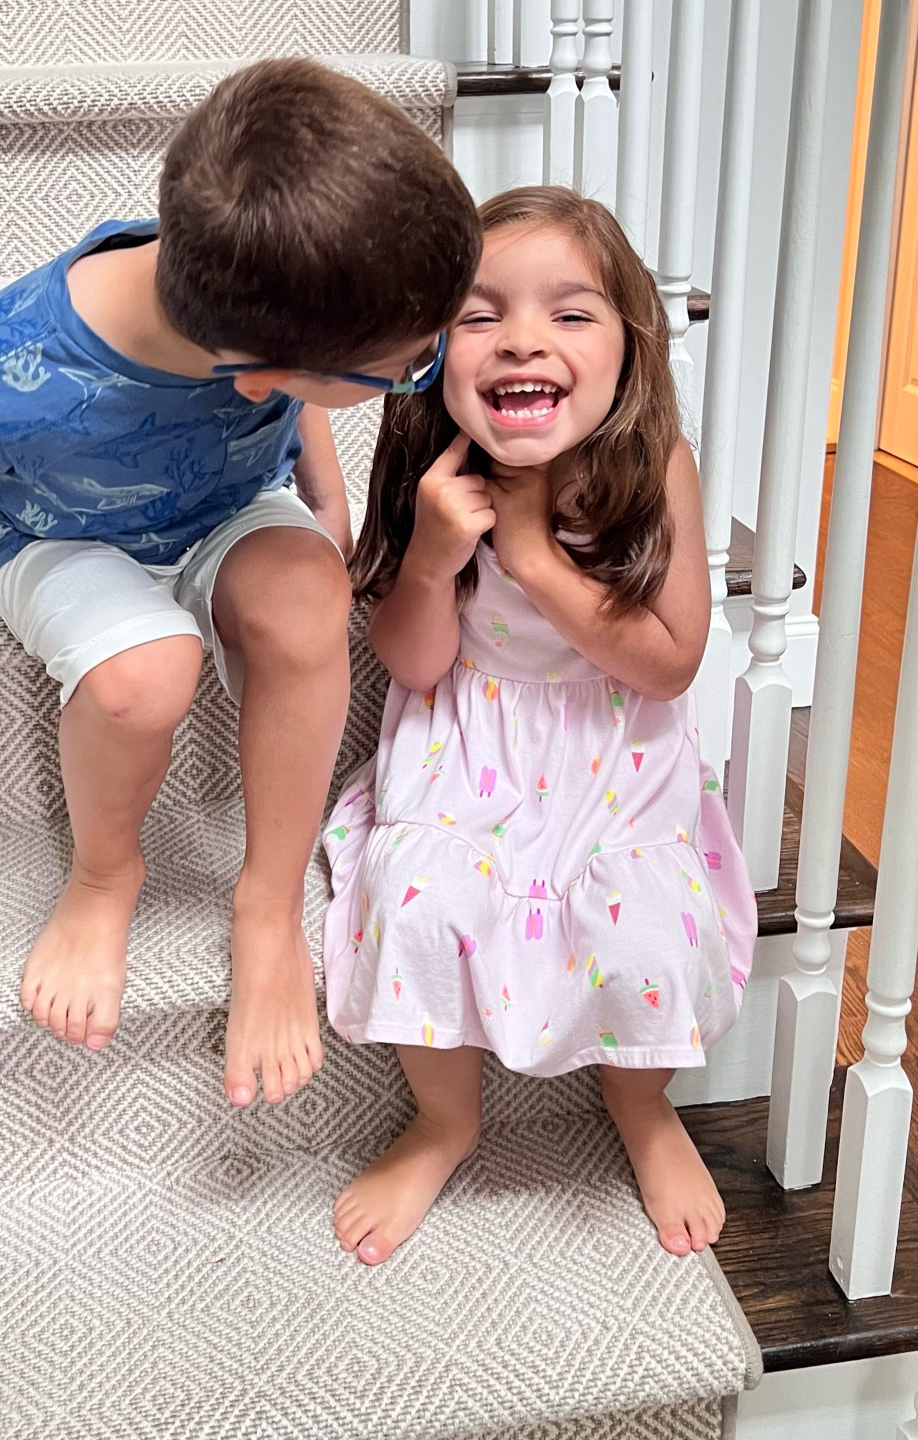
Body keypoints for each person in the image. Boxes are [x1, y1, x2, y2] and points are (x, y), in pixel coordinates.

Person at [0, 58, 481, 1108]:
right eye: (409, 364)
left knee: (311, 594)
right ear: (263, 370)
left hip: (227, 507)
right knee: (145, 673)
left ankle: (267, 904)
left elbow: (298, 392)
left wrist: (326, 506)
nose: (430, 365)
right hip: (59, 537)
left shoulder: (253, 285)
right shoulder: (3, 373)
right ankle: (104, 876)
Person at [321, 185, 756, 1263]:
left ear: (628, 349)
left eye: (569, 313)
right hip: (467, 739)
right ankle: (445, 1120)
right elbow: (413, 662)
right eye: (481, 315)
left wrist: (530, 555)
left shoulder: (656, 466)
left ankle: (640, 1101)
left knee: (645, 932)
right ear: (435, 354)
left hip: (614, 750)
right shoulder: (433, 472)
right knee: (420, 909)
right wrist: (433, 560)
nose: (523, 338)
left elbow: (671, 664)